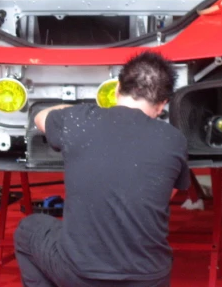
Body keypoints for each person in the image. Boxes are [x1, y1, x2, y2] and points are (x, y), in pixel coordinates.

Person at [14, 51, 191, 287]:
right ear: (162, 105)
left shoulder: (79, 120)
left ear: (117, 89)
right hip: (150, 279)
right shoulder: (174, 139)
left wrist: (71, 111)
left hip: (81, 275)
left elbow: (39, 117)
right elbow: (165, 194)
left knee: (28, 229)